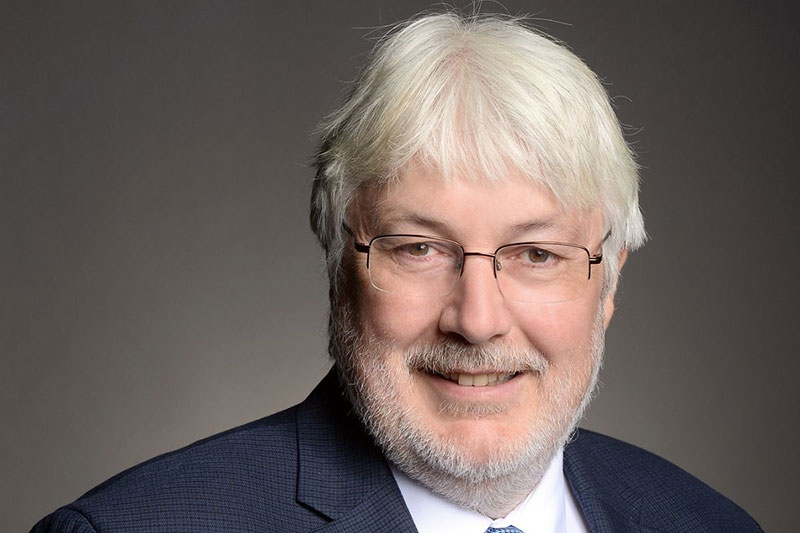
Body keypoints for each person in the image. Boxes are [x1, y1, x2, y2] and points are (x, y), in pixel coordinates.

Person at [32, 12, 760, 533]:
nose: (477, 319)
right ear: (337, 264)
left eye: (537, 253)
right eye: (419, 248)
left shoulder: (707, 521)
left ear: (608, 284)